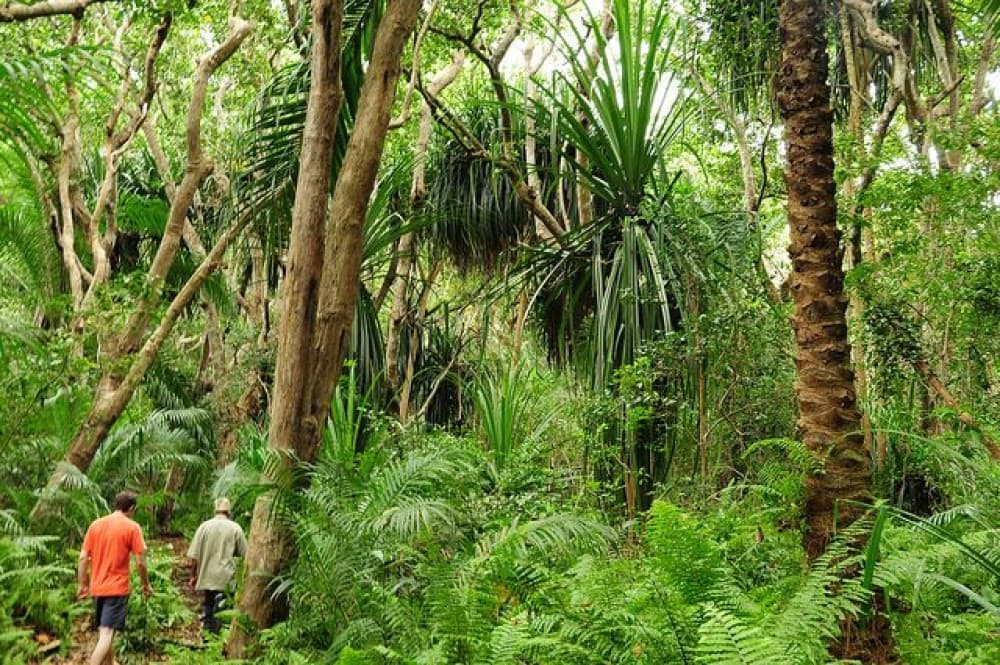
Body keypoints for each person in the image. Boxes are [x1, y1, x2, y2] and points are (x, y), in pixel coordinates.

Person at [77, 490, 152, 665]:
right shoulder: (132, 527)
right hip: (117, 589)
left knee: (105, 630)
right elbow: (140, 562)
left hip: (97, 587)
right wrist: (145, 585)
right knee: (106, 634)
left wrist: (82, 584)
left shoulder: (95, 525)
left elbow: (83, 558)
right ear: (132, 508)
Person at [187, 497, 247, 633]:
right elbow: (245, 554)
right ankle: (220, 638)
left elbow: (194, 556)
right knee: (223, 610)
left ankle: (207, 636)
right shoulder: (235, 528)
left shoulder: (204, 527)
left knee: (208, 605)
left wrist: (192, 576)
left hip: (207, 575)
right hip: (226, 578)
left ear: (215, 510)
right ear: (229, 512)